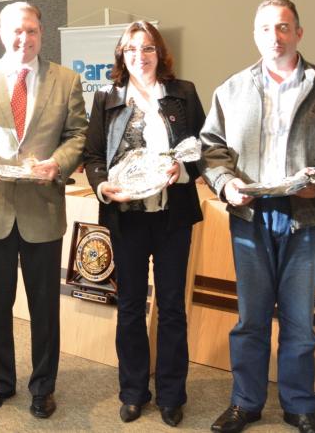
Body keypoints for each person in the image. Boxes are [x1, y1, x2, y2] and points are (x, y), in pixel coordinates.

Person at [200, 0, 315, 433]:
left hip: (307, 215)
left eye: (283, 27)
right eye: (265, 28)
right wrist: (226, 184)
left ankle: (300, 406)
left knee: (299, 320)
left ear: (299, 32)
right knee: (251, 319)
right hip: (250, 216)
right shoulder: (231, 89)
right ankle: (245, 403)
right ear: (255, 35)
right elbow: (211, 148)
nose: (274, 37)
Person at [0, 1, 87, 419]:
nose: (23, 39)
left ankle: (43, 387)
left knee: (44, 308)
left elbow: (78, 135)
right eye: (15, 31)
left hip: (42, 209)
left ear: (41, 33)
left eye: (31, 31)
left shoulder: (67, 79)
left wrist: (57, 164)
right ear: (1, 33)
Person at [83, 21, 205, 425]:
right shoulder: (107, 97)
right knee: (131, 307)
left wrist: (182, 171)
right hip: (127, 219)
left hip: (173, 217)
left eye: (148, 47)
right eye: (131, 49)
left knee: (171, 307)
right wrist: (103, 187)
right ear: (121, 55)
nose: (140, 56)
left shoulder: (183, 93)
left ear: (160, 52)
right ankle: (133, 391)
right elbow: (93, 156)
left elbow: (203, 148)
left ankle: (171, 395)